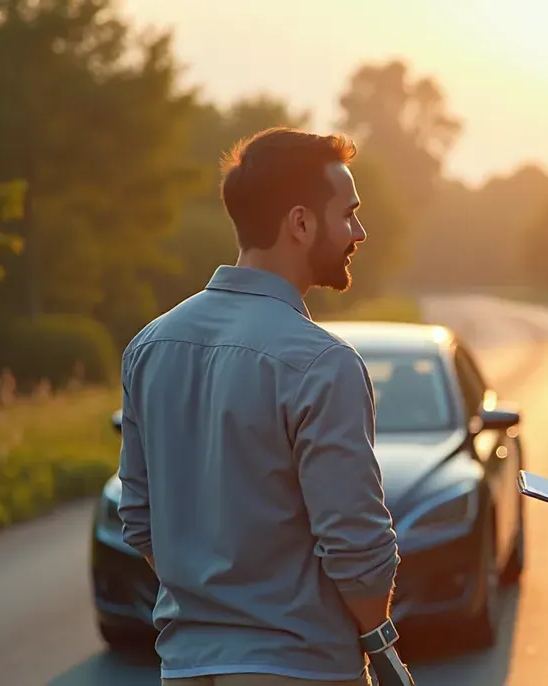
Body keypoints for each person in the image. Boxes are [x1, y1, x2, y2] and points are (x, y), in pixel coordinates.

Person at [117, 127, 397, 686]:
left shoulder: (149, 346)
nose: (359, 233)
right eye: (349, 215)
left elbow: (139, 520)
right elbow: (358, 550)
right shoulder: (323, 363)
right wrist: (378, 642)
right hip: (299, 667)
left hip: (185, 667)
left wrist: (212, 605)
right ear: (300, 223)